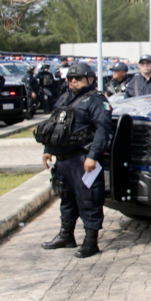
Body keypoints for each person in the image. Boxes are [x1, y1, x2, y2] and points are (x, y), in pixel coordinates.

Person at [39, 61, 115, 258]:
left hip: (83, 159)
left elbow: (102, 130)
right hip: (63, 159)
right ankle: (66, 235)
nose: (74, 81)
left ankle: (91, 242)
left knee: (88, 200)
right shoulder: (65, 98)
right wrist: (49, 149)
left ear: (90, 79)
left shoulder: (96, 100)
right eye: (70, 78)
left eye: (78, 78)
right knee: (66, 198)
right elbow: (54, 125)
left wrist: (92, 157)